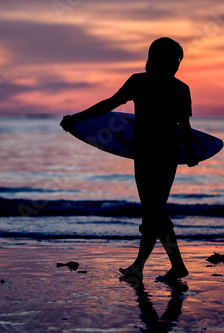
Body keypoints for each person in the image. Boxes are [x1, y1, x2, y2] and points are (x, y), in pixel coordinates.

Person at [60, 37, 199, 284]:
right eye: (174, 60)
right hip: (153, 154)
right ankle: (143, 266)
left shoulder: (167, 86)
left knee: (154, 211)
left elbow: (184, 127)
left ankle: (172, 266)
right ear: (159, 58)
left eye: (179, 61)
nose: (177, 65)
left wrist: (190, 153)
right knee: (153, 212)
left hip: (155, 154)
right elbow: (110, 104)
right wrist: (78, 118)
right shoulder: (153, 84)